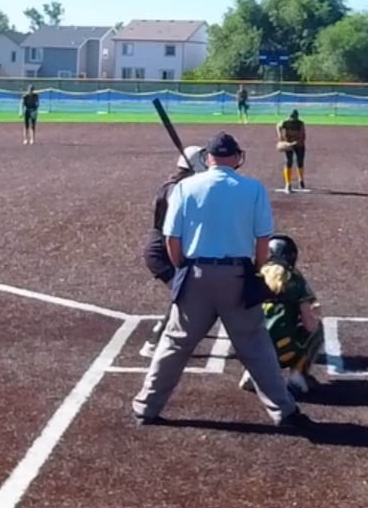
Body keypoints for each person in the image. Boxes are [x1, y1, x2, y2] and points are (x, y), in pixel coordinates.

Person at [132, 132, 314, 433]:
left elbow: (171, 239)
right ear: (237, 157)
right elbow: (263, 240)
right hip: (238, 276)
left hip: (195, 274)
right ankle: (284, 411)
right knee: (256, 347)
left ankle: (146, 407)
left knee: (174, 344)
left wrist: (182, 269)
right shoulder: (253, 189)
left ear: (209, 158)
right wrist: (255, 272)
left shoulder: (185, 187)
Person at [139, 145, 207, 357]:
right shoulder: (176, 189)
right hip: (161, 252)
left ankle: (167, 333)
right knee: (185, 293)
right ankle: (156, 341)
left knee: (186, 292)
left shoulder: (178, 185)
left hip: (166, 248)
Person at [239, 233, 324, 399]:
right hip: (282, 354)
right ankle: (298, 376)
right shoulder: (295, 279)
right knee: (316, 328)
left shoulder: (253, 276)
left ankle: (251, 371)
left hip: (251, 350)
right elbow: (309, 325)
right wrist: (314, 313)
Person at [276, 109, 308, 192]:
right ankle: (288, 183)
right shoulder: (285, 122)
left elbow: (303, 136)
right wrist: (280, 136)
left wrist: (296, 143)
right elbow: (278, 126)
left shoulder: (300, 124)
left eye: (294, 117)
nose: (292, 119)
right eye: (291, 117)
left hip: (299, 144)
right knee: (288, 162)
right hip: (288, 144)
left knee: (300, 162)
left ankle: (300, 179)